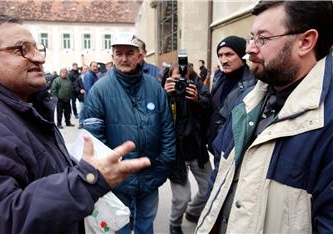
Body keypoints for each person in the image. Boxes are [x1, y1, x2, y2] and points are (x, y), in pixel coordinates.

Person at [0, 15, 151, 234]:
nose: (39, 58)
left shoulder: (24, 104)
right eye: (22, 50)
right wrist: (85, 182)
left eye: (38, 49)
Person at [196, 1, 333, 233]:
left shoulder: (325, 121)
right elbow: (220, 175)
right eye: (251, 37)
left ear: (306, 42)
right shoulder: (248, 101)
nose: (250, 48)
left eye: (263, 38)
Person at [83, 34, 175, 234]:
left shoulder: (154, 87)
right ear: (113, 56)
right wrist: (110, 170)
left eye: (129, 53)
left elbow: (167, 127)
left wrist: (164, 163)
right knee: (120, 223)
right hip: (118, 178)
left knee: (146, 222)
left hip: (151, 172)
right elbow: (94, 138)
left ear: (140, 56)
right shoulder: (100, 90)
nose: (124, 59)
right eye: (119, 54)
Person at [163, 63, 212, 234]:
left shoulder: (199, 91)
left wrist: (198, 99)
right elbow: (154, 118)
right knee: (182, 198)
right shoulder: (163, 94)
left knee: (210, 189)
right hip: (176, 155)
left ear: (193, 81)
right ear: (169, 79)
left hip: (197, 151)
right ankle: (174, 223)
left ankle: (192, 212)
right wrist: (165, 96)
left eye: (185, 80)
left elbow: (210, 109)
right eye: (176, 80)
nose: (180, 84)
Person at [206, 35, 256, 154]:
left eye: (229, 54)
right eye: (220, 55)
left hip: (232, 151)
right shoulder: (220, 79)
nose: (223, 60)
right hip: (216, 148)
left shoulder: (252, 84)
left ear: (242, 55)